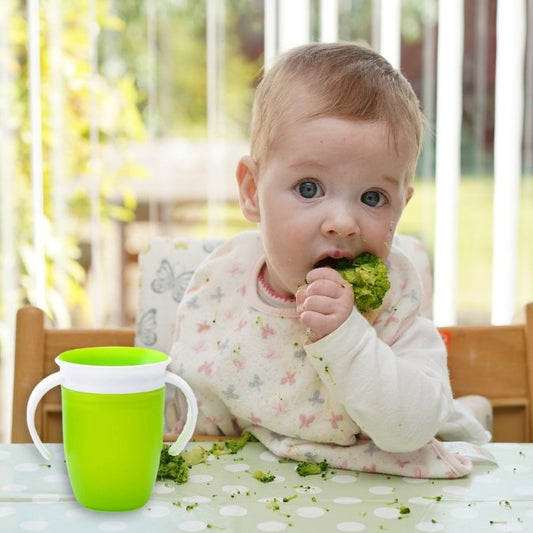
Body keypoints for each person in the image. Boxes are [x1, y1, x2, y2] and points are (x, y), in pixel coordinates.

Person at [169, 42, 489, 477]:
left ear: (400, 207)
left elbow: (410, 429)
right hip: (266, 487)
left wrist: (348, 338)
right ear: (251, 192)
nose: (342, 222)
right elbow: (196, 398)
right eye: (308, 188)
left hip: (377, 477)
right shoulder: (224, 280)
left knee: (448, 420)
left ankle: (471, 413)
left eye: (373, 197)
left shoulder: (392, 302)